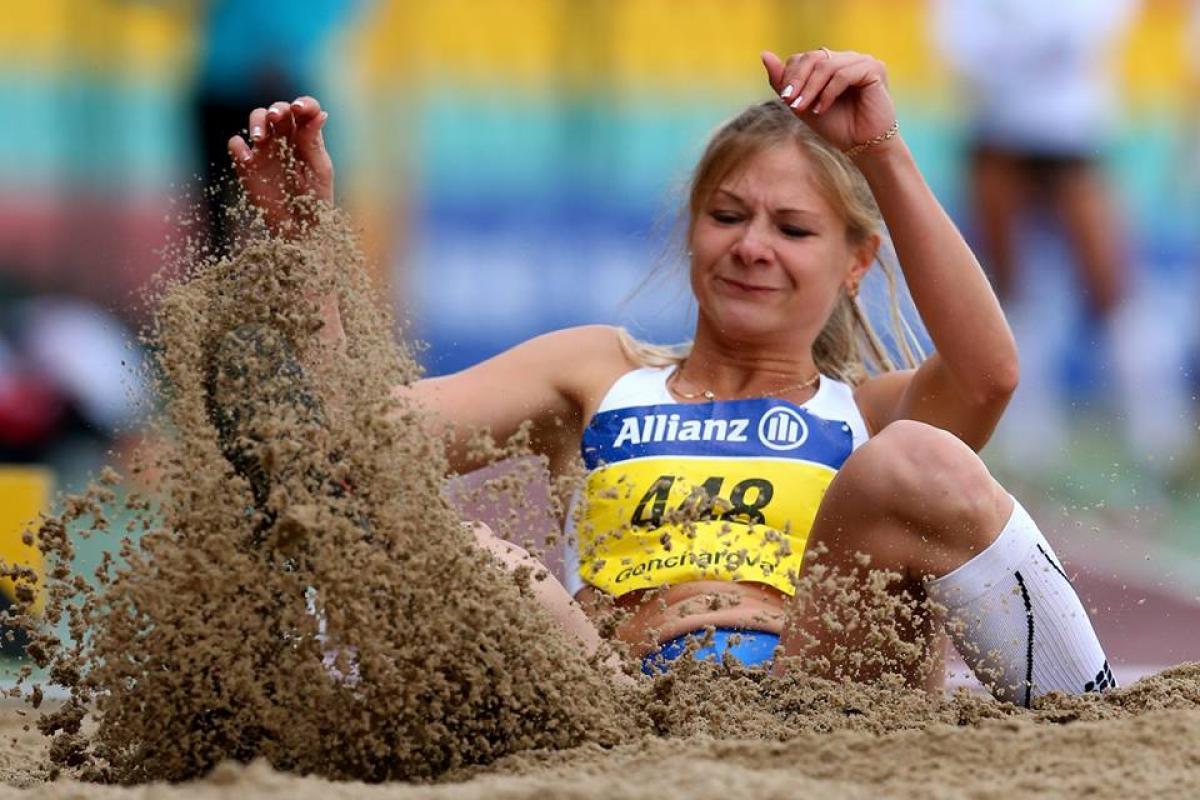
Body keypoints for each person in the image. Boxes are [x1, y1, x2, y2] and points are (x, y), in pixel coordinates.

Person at [226, 48, 1115, 706]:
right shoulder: (595, 370)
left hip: (818, 689)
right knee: (475, 558)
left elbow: (990, 374)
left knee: (921, 459)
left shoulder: (873, 412)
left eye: (793, 230)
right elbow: (360, 446)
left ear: (855, 262)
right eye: (727, 216)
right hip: (614, 704)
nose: (753, 247)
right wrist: (303, 237)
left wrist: (882, 147)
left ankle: (1096, 726)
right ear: (694, 232)